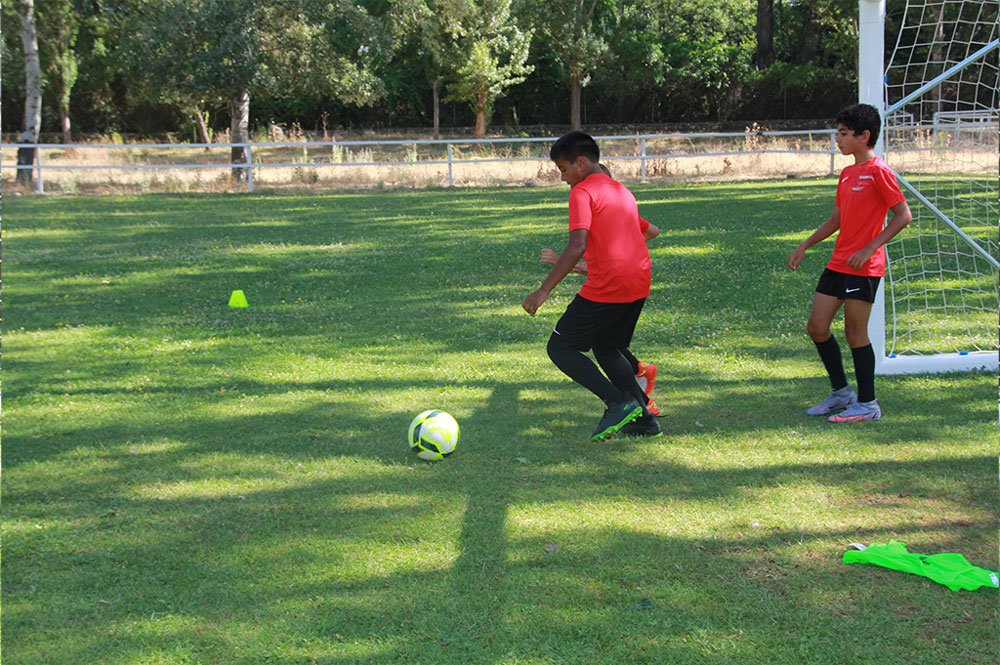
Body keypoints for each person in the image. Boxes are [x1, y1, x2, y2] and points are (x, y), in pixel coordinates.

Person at [523, 131, 660, 439]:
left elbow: (577, 245)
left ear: (580, 163)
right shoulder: (622, 190)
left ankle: (617, 403)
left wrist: (543, 290)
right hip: (639, 282)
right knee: (607, 346)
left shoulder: (582, 192)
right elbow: (644, 233)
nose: (563, 178)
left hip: (609, 287)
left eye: (563, 169)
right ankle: (644, 421)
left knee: (560, 347)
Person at [788, 103, 912, 422]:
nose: (837, 139)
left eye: (843, 134)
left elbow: (903, 216)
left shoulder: (879, 171)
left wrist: (870, 248)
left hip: (864, 268)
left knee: (856, 334)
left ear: (863, 136)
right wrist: (806, 244)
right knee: (816, 327)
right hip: (838, 263)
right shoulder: (847, 173)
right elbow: (836, 220)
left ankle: (868, 405)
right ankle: (842, 393)